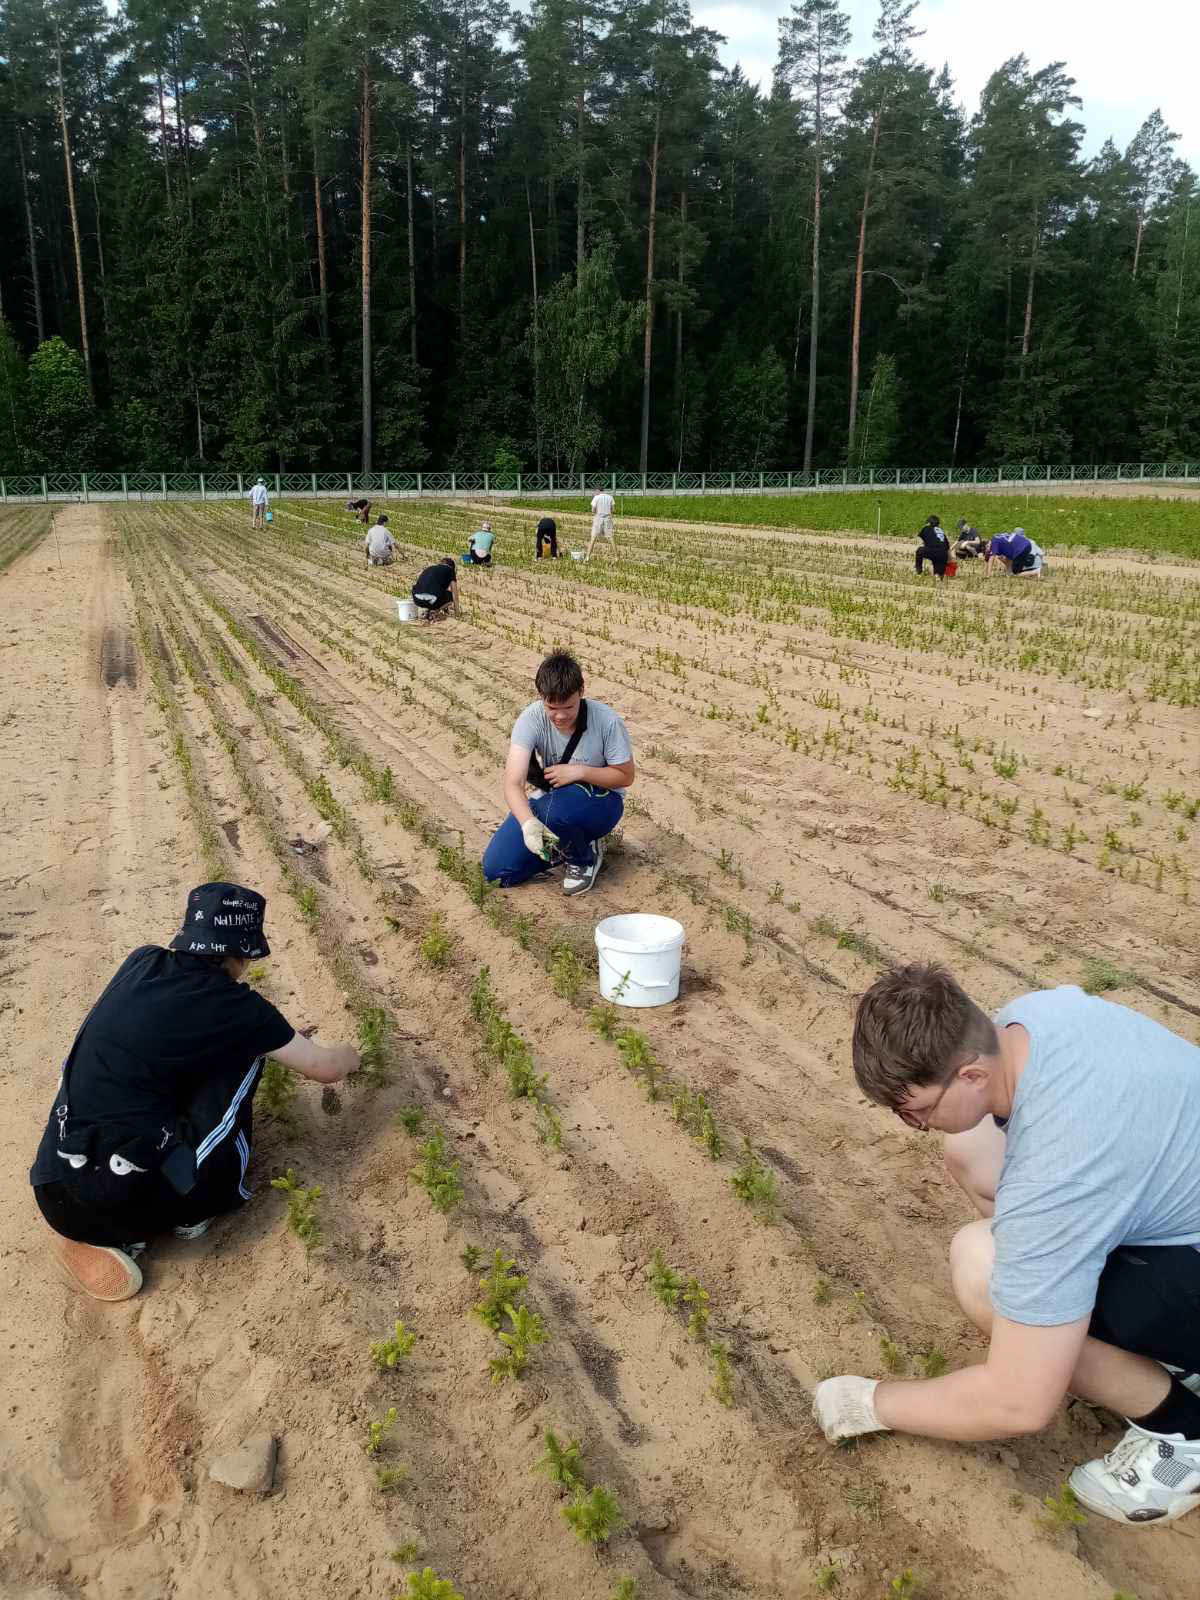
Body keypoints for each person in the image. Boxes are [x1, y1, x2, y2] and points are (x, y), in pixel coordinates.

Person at [813, 963, 1200, 1527]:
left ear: (969, 1074)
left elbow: (1018, 1404)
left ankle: (1181, 1429)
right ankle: (1090, 1331)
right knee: (971, 1145)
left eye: (917, 1111)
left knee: (982, 1267)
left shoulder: (1059, 1174)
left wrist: (867, 1403)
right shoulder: (1035, 1018)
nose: (910, 1125)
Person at [29, 883, 359, 1303]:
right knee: (248, 1054)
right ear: (241, 952)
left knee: (121, 1071)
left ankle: (104, 1226)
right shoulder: (240, 1009)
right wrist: (351, 1057)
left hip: (51, 1183)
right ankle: (191, 1207)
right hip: (120, 1199)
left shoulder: (141, 961)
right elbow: (323, 1069)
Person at [482, 651, 634, 897]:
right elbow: (513, 782)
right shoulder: (531, 719)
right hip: (556, 802)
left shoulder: (606, 721)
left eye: (569, 707)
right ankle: (565, 844)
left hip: (603, 803)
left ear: (581, 691)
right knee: (498, 872)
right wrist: (528, 824)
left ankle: (584, 857)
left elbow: (625, 776)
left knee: (558, 812)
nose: (560, 716)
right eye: (552, 707)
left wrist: (579, 771)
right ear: (541, 697)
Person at [412, 556, 461, 622]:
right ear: (452, 567)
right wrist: (457, 614)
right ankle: (434, 612)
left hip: (416, 599)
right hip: (432, 600)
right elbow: (454, 594)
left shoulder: (430, 568)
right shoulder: (450, 570)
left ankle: (428, 611)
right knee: (450, 596)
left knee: (433, 592)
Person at [585, 489, 616, 561]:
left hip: (598, 518)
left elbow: (593, 510)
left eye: (595, 492)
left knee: (593, 538)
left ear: (598, 490)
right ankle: (616, 557)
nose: (595, 493)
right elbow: (613, 510)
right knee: (611, 538)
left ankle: (587, 558)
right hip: (608, 519)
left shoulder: (596, 497)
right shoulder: (610, 497)